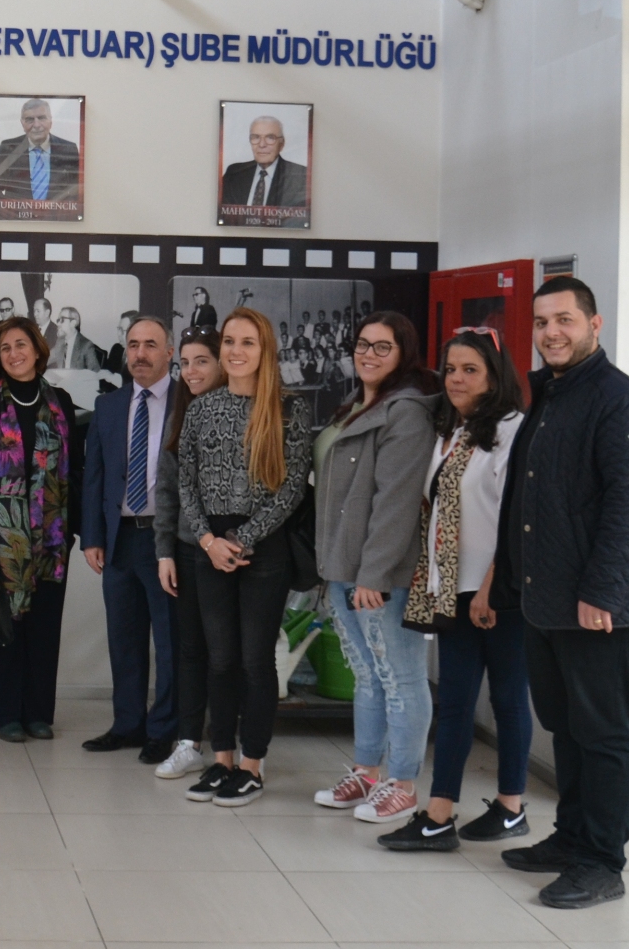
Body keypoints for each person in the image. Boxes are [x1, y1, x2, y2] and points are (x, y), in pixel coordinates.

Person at [494, 277, 629, 909]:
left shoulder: (622, 403)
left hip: (600, 605)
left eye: (564, 320)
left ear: (595, 324)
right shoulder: (548, 393)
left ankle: (602, 862)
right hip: (548, 598)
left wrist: (603, 593)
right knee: (564, 727)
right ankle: (571, 838)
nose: (551, 333)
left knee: (603, 733)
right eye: (542, 322)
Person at [155, 308, 311, 805]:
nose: (236, 351)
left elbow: (291, 489)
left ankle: (251, 766)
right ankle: (221, 760)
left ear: (265, 350)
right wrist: (207, 540)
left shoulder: (288, 409)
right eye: (229, 342)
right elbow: (187, 482)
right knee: (219, 659)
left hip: (263, 549)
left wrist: (242, 540)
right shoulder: (202, 407)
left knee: (254, 660)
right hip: (210, 549)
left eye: (247, 342)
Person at [383, 327, 530, 851]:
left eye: (471, 370)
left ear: (494, 375)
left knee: (508, 698)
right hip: (452, 591)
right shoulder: (453, 430)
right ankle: (438, 816)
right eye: (450, 369)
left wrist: (491, 587)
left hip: (498, 591)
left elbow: (516, 518)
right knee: (456, 703)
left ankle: (511, 808)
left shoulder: (512, 430)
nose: (457, 379)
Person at [311, 311, 439, 826]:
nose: (368, 354)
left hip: (379, 575)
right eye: (363, 344)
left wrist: (374, 574)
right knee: (367, 675)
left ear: (404, 354)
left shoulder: (406, 412)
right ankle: (367, 773)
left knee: (400, 678)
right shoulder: (358, 404)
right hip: (343, 565)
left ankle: (402, 785)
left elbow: (396, 502)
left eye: (383, 347)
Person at [0, 317, 83, 742]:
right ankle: (6, 715)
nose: (14, 354)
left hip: (51, 535)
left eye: (21, 345)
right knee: (6, 625)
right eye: (5, 348)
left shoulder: (60, 402)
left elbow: (76, 468)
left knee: (45, 626)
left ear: (37, 350)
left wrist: (72, 528)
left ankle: (38, 714)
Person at [80, 316, 178, 764]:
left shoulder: (189, 402)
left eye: (150, 345)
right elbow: (95, 476)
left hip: (167, 542)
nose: (140, 353)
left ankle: (164, 729)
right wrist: (92, 537)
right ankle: (127, 724)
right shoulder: (109, 406)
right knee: (124, 639)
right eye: (134, 344)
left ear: (169, 352)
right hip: (120, 539)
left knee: (170, 641)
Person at [151, 331, 223, 779]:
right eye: (186, 363)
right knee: (190, 650)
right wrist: (165, 552)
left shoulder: (241, 410)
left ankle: (232, 748)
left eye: (202, 362)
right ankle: (189, 742)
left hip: (231, 552)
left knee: (229, 654)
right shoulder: (181, 413)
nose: (192, 372)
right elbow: (168, 490)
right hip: (187, 549)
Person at [0, 97, 82, 203]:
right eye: (30, 120)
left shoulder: (68, 149)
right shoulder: (9, 148)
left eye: (42, 118)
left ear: (50, 121)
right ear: (22, 123)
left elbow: (77, 191)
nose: (36, 125)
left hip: (57, 213)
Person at [220, 113, 308, 209]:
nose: (262, 144)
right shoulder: (234, 174)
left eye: (270, 138)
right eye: (256, 137)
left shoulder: (300, 176)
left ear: (282, 144)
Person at [50, 305, 106, 371]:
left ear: (73, 323)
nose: (58, 324)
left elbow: (95, 373)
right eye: (58, 320)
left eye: (62, 320)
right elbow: (46, 359)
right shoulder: (60, 341)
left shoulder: (86, 345)